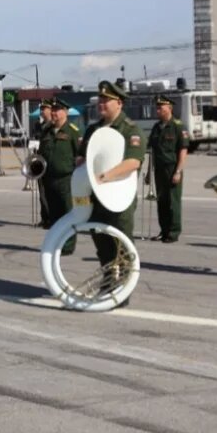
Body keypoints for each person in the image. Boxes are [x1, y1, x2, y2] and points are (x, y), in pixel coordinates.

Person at [78, 81, 144, 301]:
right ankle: (109, 282)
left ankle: (124, 290)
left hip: (118, 196)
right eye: (101, 100)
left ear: (119, 103)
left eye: (107, 100)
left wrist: (104, 177)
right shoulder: (93, 129)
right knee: (102, 242)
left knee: (121, 244)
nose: (102, 104)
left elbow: (133, 161)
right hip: (95, 195)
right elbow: (81, 158)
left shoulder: (130, 129)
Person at [37, 98, 80, 254]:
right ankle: (57, 242)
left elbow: (80, 155)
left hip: (66, 178)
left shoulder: (72, 131)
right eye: (53, 110)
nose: (54, 113)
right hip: (48, 178)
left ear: (65, 112)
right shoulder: (47, 131)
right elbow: (41, 153)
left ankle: (68, 246)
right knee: (54, 213)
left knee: (67, 212)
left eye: (58, 110)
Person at [147, 95, 188, 243]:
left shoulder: (177, 126)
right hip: (159, 169)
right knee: (162, 201)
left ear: (169, 108)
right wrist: (148, 172)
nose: (158, 110)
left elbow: (183, 150)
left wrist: (178, 171)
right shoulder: (157, 127)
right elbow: (150, 148)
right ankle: (164, 231)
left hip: (172, 168)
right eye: (157, 107)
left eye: (160, 107)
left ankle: (173, 232)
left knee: (173, 202)